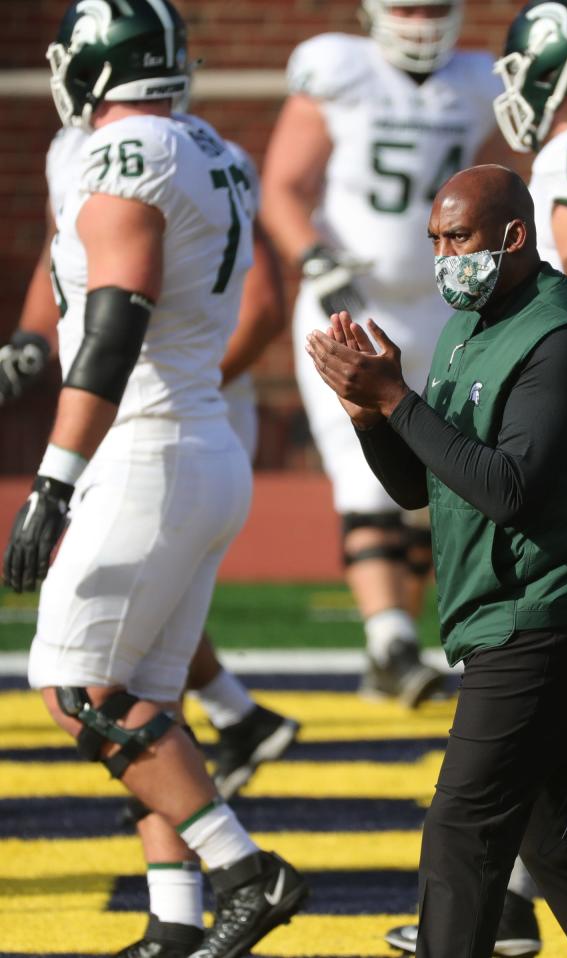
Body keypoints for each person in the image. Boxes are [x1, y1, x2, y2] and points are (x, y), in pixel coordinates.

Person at [2, 3, 308, 956]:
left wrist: (53, 480)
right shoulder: (203, 147)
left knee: (76, 690)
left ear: (98, 64)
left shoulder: (125, 156)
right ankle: (176, 923)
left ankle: (248, 873)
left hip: (147, 450)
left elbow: (113, 325)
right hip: (193, 443)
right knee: (144, 701)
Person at [306, 163, 567, 958]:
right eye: (435, 239)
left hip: (550, 609)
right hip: (511, 607)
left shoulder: (557, 335)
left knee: (461, 830)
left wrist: (399, 399)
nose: (444, 255)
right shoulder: (471, 325)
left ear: (514, 236)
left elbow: (510, 491)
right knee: (557, 839)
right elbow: (418, 484)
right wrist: (370, 414)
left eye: (459, 236)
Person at [3, 124, 300, 806]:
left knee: (83, 675)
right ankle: (181, 885)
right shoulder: (194, 150)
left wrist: (186, 388)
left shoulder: (150, 154)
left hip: (157, 422)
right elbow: (67, 253)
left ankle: (233, 855)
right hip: (154, 422)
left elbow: (252, 308)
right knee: (141, 654)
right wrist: (29, 336)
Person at [260, 0, 510, 707]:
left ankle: (408, 641)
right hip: (353, 296)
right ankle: (390, 641)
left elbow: (502, 186)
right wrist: (312, 257)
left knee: (442, 471)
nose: (421, 20)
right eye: (407, 5)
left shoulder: (477, 81)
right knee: (367, 469)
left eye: (433, 6)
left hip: (444, 304)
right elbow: (284, 186)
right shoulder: (339, 69)